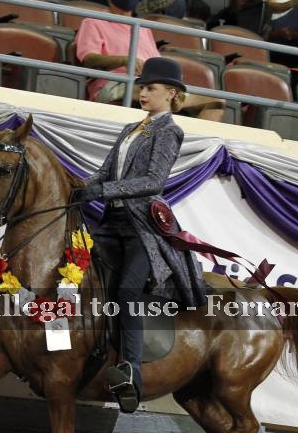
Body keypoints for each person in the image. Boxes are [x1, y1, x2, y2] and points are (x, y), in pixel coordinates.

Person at [69, 58, 209, 413]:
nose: (143, 93)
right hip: (111, 223)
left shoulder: (169, 131)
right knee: (77, 278)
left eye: (151, 88)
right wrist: (80, 186)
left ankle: (130, 372)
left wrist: (103, 192)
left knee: (128, 292)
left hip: (141, 229)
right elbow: (104, 172)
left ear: (171, 93)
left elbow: (153, 182)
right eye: (142, 87)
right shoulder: (131, 128)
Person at [75, 0, 225, 120]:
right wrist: (123, 60)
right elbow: (89, 59)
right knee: (150, 90)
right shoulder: (94, 22)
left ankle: (186, 142)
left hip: (154, 84)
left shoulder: (143, 28)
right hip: (116, 83)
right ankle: (171, 105)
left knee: (216, 101)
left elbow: (156, 62)